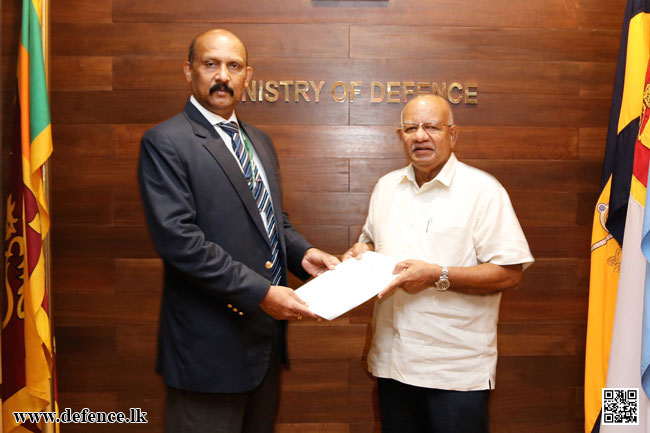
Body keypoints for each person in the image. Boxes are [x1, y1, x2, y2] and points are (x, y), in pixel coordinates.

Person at [137, 29, 340, 433]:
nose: (222, 76)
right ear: (188, 71)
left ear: (248, 75)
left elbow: (271, 221)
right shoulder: (165, 142)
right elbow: (180, 242)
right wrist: (261, 293)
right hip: (207, 353)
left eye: (233, 67)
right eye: (211, 64)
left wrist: (302, 254)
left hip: (262, 348)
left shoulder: (259, 142)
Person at [342, 94, 534, 433]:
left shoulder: (483, 191)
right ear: (399, 135)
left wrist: (437, 275)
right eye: (411, 128)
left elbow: (509, 272)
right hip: (392, 363)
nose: (420, 136)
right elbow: (370, 240)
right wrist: (359, 251)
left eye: (432, 127)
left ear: (453, 134)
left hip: (456, 371)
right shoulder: (386, 187)